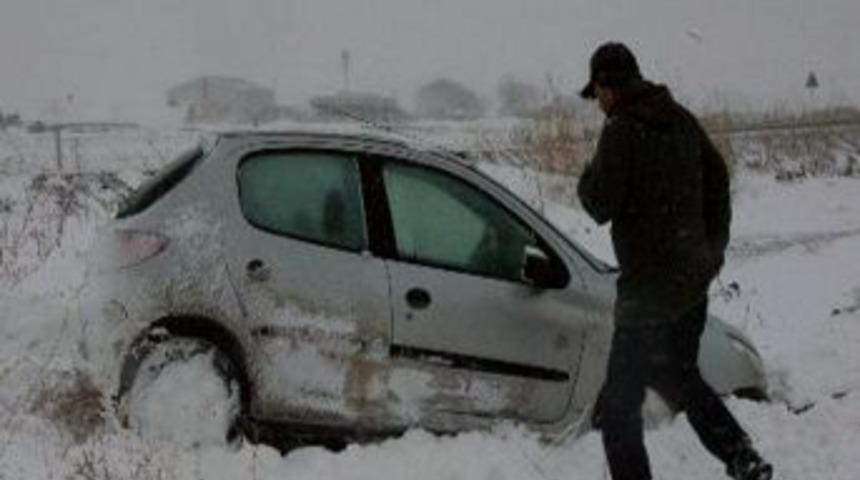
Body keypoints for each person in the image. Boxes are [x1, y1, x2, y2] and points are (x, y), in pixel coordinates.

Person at [576, 42, 774, 480]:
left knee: (619, 409)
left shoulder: (622, 129)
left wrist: (586, 176)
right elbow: (718, 181)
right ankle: (742, 457)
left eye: (598, 93)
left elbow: (599, 203)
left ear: (608, 86)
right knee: (679, 376)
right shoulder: (681, 119)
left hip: (646, 297)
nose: (598, 103)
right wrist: (711, 251)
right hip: (688, 289)